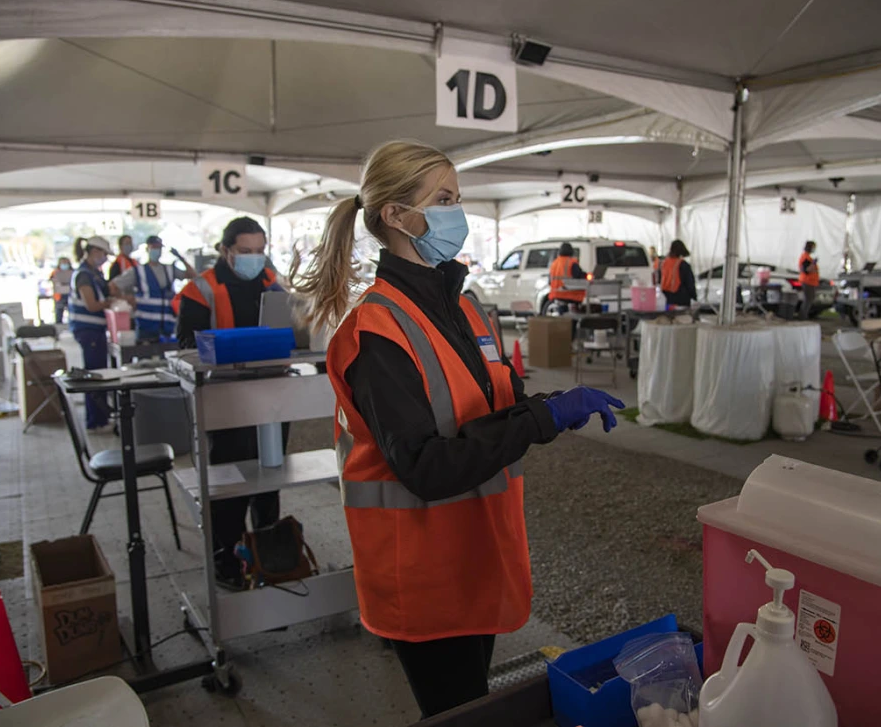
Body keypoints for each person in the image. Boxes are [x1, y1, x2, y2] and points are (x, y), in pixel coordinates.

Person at [291, 141, 624, 718]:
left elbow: (497, 404)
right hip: (421, 572)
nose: (457, 214)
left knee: (468, 704)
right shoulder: (375, 332)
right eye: (443, 199)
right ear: (395, 216)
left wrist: (552, 405)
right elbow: (424, 466)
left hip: (474, 556)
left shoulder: (462, 308)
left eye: (457, 199)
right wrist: (541, 419)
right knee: (457, 711)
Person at [176, 217, 285, 587]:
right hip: (226, 402)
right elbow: (187, 347)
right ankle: (229, 565)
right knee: (230, 489)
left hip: (272, 399)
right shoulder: (200, 289)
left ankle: (271, 562)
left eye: (260, 251)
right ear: (226, 251)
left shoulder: (272, 282)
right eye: (246, 252)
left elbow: (287, 332)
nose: (255, 259)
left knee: (269, 484)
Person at [109, 235, 196, 341]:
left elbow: (193, 276)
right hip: (146, 327)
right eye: (154, 247)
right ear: (147, 249)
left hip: (167, 327)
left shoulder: (169, 269)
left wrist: (181, 258)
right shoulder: (138, 271)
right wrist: (128, 299)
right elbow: (113, 286)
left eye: (159, 248)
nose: (157, 251)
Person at [69, 237, 115, 433]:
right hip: (88, 331)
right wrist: (110, 302)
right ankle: (95, 421)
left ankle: (101, 417)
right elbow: (92, 304)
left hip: (95, 331)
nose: (104, 258)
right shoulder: (83, 276)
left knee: (99, 373)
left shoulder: (94, 274)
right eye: (103, 254)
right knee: (94, 375)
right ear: (93, 251)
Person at [547, 242, 586, 311]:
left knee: (562, 315)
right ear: (571, 251)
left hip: (556, 295)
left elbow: (549, 281)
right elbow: (578, 277)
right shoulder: (571, 262)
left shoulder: (554, 263)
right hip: (570, 295)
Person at [659, 240, 696, 307]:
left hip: (667, 296)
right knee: (681, 316)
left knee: (668, 315)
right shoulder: (683, 265)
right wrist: (694, 296)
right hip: (681, 298)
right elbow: (690, 283)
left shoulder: (664, 263)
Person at [798, 241, 820, 320]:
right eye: (813, 247)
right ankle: (803, 317)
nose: (814, 249)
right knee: (808, 299)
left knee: (809, 299)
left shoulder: (807, 257)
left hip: (810, 282)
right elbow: (806, 270)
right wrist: (813, 263)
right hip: (807, 281)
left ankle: (803, 316)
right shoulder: (805, 257)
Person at [49, 256, 73, 324]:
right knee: (59, 312)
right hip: (59, 296)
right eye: (63, 263)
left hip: (70, 294)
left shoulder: (73, 272)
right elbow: (51, 280)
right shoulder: (55, 272)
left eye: (66, 263)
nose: (64, 265)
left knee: (71, 313)